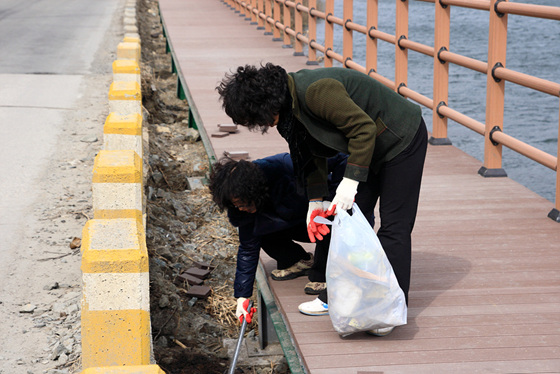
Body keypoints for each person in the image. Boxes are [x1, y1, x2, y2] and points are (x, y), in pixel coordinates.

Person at [216, 63, 428, 336]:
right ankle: (340, 297)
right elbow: (309, 156)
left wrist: (349, 183)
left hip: (399, 139)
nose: (261, 125)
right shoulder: (287, 115)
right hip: (367, 148)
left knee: (394, 226)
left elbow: (363, 129)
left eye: (256, 118)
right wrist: (315, 201)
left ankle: (388, 309)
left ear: (265, 103)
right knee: (350, 219)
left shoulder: (316, 92)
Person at [208, 152, 347, 324]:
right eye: (236, 205)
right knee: (258, 231)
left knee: (328, 222)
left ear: (252, 190)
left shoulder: (283, 166)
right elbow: (247, 248)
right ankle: (298, 260)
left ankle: (322, 273)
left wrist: (334, 199)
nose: (240, 208)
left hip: (318, 214)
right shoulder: (239, 206)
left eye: (242, 203)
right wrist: (242, 296)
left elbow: (341, 158)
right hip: (292, 222)